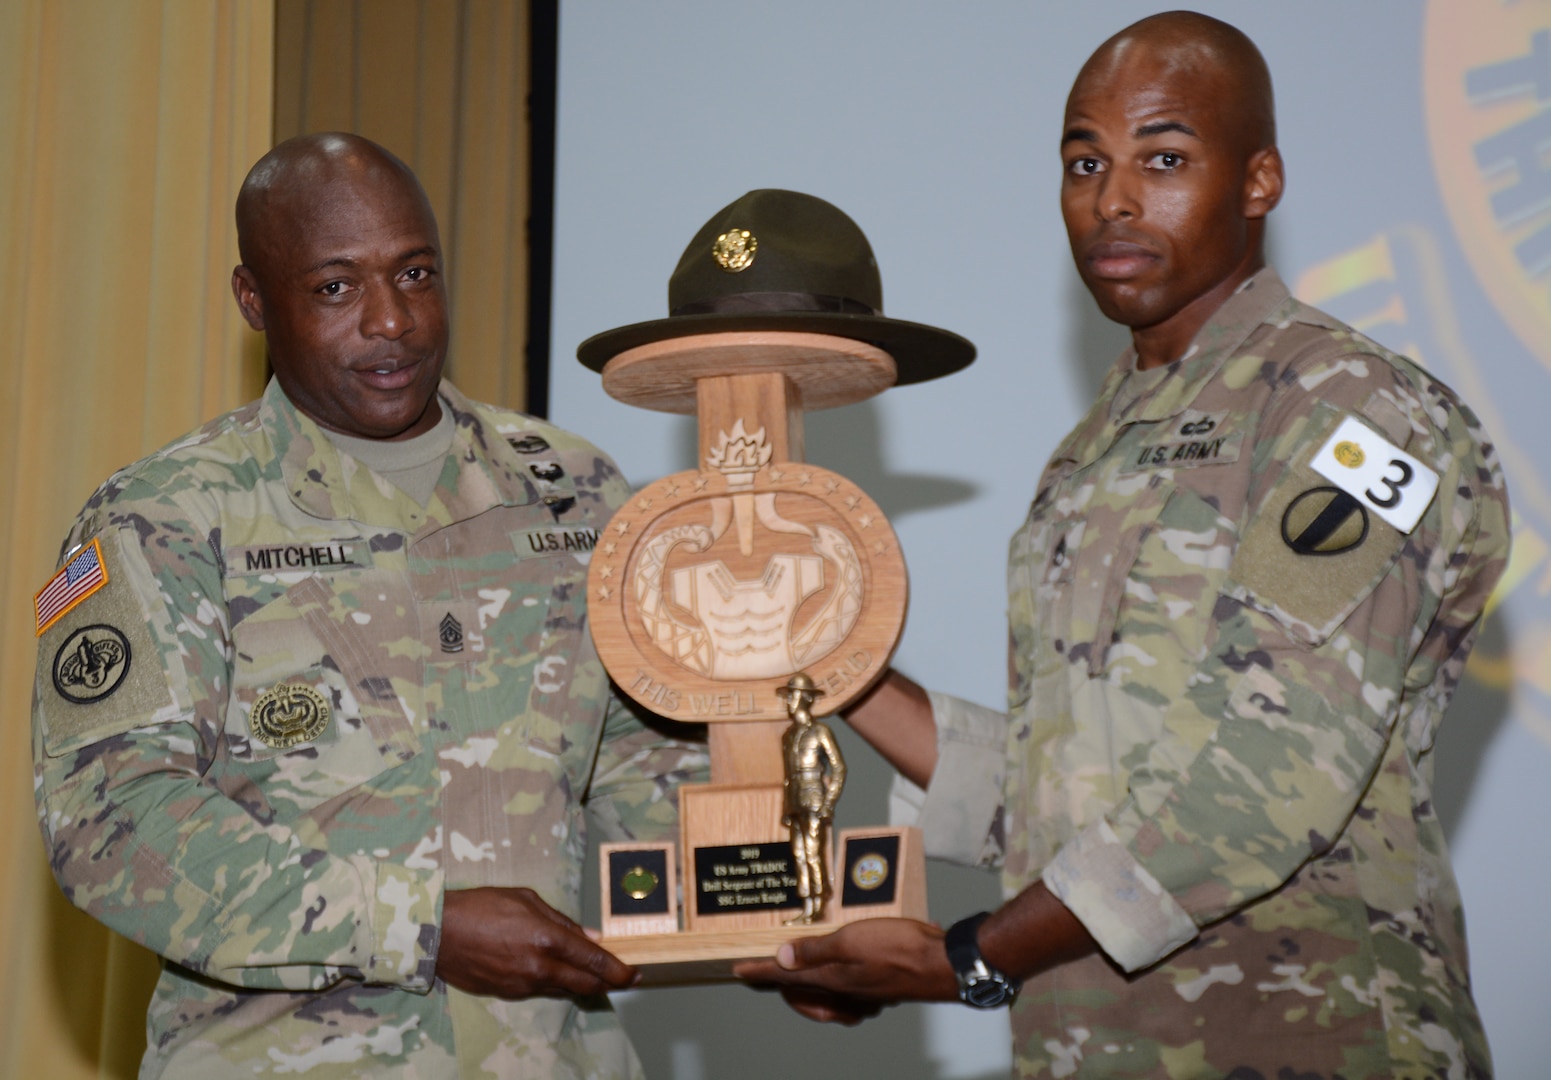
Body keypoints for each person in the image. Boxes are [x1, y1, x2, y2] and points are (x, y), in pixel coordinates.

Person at [737, 12, 1509, 1078]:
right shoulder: (1096, 445)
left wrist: (968, 959)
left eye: (1165, 158)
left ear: (1260, 180)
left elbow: (1267, 768)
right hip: (1093, 1043)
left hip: (1304, 1040)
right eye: (1084, 162)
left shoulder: (1349, 414)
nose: (1114, 199)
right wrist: (826, 665)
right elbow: (1077, 783)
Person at [31, 133, 706, 1079]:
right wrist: (418, 926)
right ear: (255, 300)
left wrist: (761, 916)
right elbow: (113, 822)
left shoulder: (574, 486)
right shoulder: (162, 518)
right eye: (336, 287)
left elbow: (641, 760)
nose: (391, 320)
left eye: (416, 273)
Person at [777, 674, 846, 925]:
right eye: (788, 696)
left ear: (806, 698)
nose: (789, 701)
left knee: (813, 852)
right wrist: (786, 806)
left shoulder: (820, 731)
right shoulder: (788, 735)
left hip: (814, 798)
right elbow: (787, 776)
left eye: (793, 695)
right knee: (798, 853)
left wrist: (828, 802)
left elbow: (838, 768)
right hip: (795, 799)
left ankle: (818, 904)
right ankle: (807, 905)